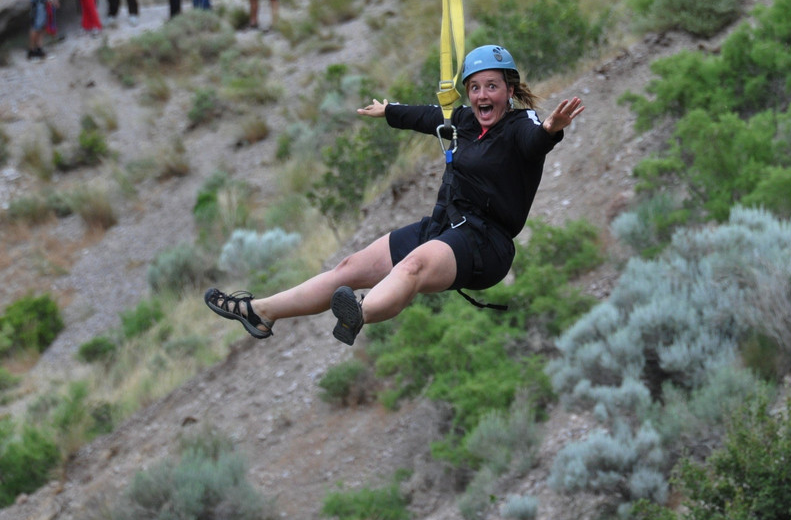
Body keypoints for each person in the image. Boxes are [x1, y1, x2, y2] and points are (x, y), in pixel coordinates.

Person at [205, 44, 585, 345]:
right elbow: (427, 115)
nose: (483, 95)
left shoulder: (523, 123)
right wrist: (389, 111)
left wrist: (552, 128)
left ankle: (361, 313)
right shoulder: (466, 121)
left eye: (492, 86)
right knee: (348, 268)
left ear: (510, 91)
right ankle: (260, 312)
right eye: (475, 87)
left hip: (486, 244)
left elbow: (535, 143)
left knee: (412, 268)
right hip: (444, 227)